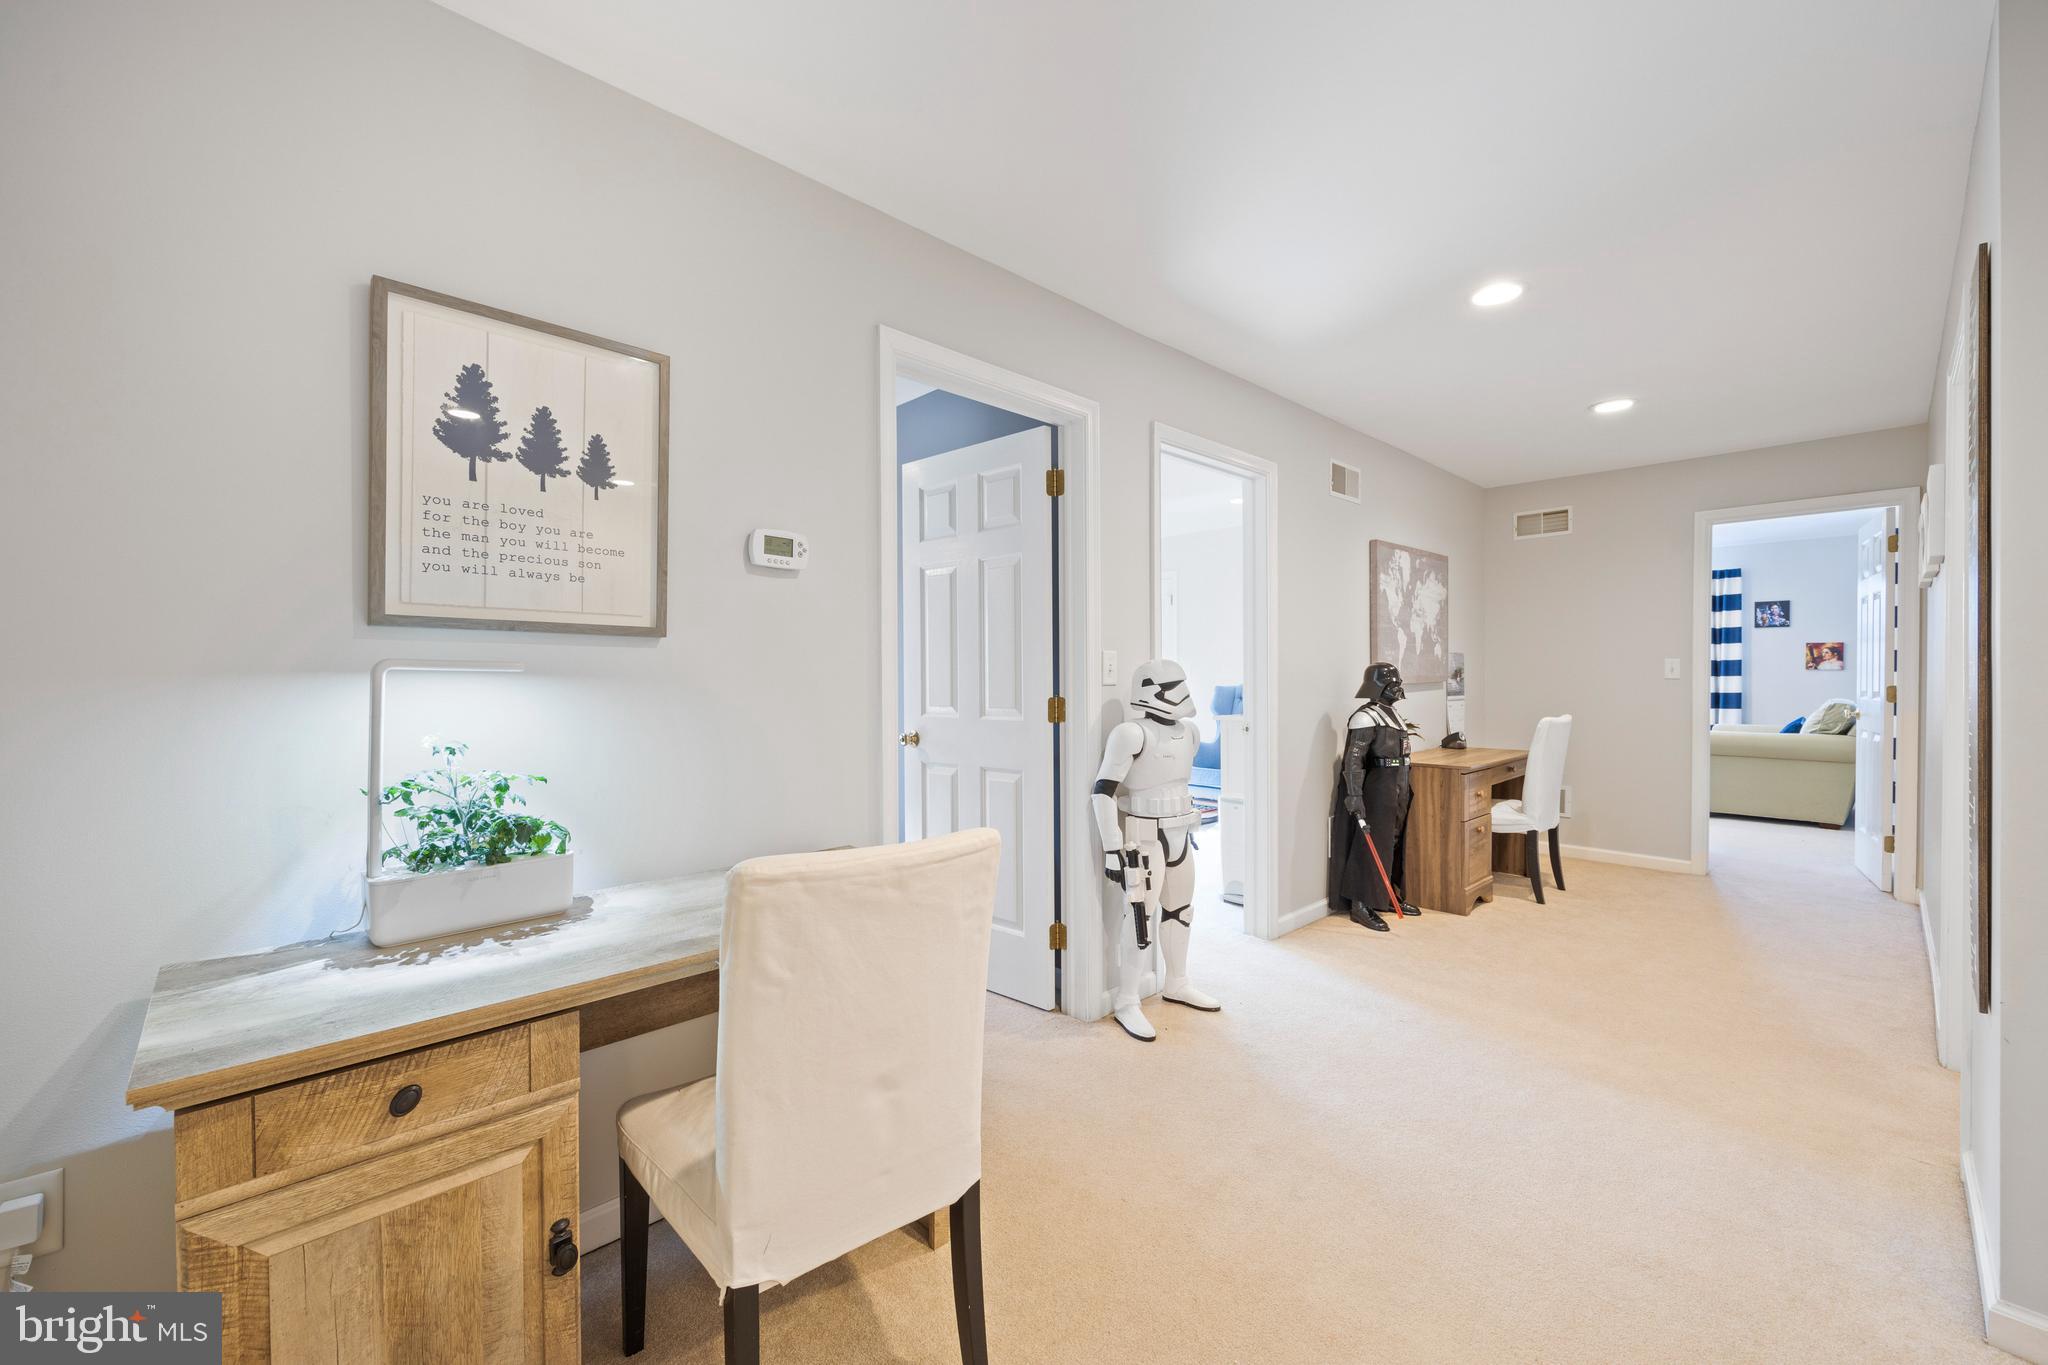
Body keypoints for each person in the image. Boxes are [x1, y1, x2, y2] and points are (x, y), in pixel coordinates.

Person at [1091, 659, 1222, 1041]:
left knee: (1180, 911)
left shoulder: (1190, 733)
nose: (1180, 692)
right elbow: (1102, 793)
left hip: (1182, 830)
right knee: (1139, 917)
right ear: (1150, 690)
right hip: (1143, 836)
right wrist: (1113, 847)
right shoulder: (1131, 734)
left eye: (1181, 682)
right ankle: (1127, 1000)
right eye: (1170, 685)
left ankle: (1176, 982)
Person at [1328, 662, 1420, 931]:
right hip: (1378, 786)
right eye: (1392, 683)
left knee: (1392, 840)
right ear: (1378, 686)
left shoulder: (1392, 714)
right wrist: (1355, 795)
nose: (1397, 688)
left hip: (1399, 782)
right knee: (1371, 844)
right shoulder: (1365, 717)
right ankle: (1361, 904)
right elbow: (1354, 760)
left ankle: (1387, 895)